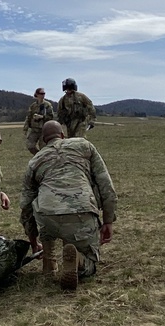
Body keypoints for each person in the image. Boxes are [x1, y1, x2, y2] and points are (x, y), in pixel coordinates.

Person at [20, 121, 118, 291]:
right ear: (63, 135)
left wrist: (33, 241)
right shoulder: (84, 146)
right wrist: (108, 220)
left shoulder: (35, 160)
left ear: (43, 139)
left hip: (47, 214)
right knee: (91, 263)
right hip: (81, 210)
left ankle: (49, 263)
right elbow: (106, 185)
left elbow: (26, 204)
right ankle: (79, 262)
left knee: (46, 218)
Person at [22, 87, 55, 155]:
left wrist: (42, 117)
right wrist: (25, 128)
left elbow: (51, 117)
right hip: (34, 129)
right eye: (41, 93)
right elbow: (28, 117)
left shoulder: (47, 105)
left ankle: (43, 159)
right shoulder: (33, 106)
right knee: (30, 146)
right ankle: (39, 156)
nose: (43, 95)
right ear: (37, 94)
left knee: (43, 147)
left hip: (44, 129)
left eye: (44, 93)